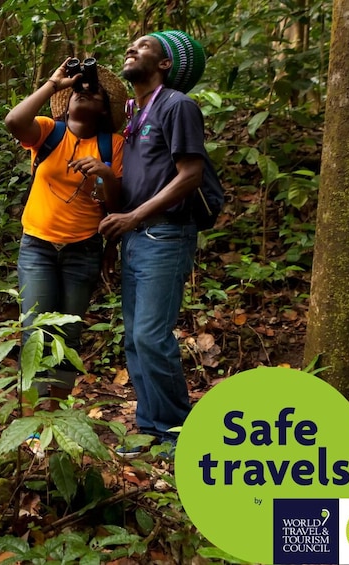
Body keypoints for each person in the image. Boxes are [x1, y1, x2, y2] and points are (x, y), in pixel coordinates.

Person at [98, 30, 219, 454]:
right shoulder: (132, 111)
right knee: (134, 337)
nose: (131, 48)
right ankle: (150, 427)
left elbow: (191, 175)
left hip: (165, 235)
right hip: (135, 239)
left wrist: (133, 217)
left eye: (145, 46)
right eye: (130, 44)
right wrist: (117, 238)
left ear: (166, 63)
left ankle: (175, 432)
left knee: (151, 335)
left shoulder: (177, 105)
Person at [4, 59, 128, 407]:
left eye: (94, 93)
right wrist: (53, 85)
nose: (84, 93)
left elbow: (116, 203)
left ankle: (55, 411)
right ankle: (31, 417)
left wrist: (105, 173)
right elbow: (14, 121)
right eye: (79, 91)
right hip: (38, 247)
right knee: (34, 332)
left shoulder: (113, 145)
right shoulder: (48, 131)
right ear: (67, 101)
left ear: (104, 109)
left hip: (83, 249)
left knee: (67, 334)